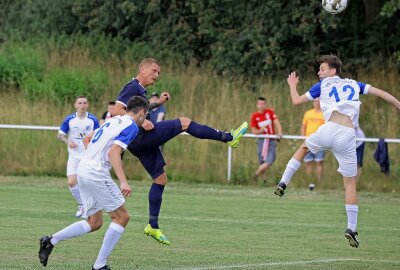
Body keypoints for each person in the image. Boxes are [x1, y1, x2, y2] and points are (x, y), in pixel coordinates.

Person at [111, 58, 248, 245]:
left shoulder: (140, 91)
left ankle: (153, 226)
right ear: (142, 70)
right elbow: (117, 110)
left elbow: (137, 109)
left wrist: (158, 103)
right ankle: (229, 138)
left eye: (158, 72)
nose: (157, 75)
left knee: (160, 179)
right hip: (140, 136)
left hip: (138, 141)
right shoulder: (132, 87)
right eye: (154, 71)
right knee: (184, 122)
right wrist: (141, 121)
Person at [273, 54, 400, 248]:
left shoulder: (322, 86)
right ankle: (351, 228)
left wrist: (292, 84)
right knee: (350, 183)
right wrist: (398, 104)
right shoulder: (354, 84)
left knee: (303, 148)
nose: (319, 72)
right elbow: (380, 93)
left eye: (322, 69)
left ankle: (283, 182)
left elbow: (296, 101)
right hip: (348, 134)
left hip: (329, 129)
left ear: (333, 71)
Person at [38, 96, 149, 270]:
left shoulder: (112, 120)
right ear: (142, 112)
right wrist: (123, 182)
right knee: (122, 217)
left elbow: (87, 139)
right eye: (146, 115)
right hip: (96, 173)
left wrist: (93, 156)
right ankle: (99, 265)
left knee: (95, 222)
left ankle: (51, 240)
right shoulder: (132, 126)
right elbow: (114, 152)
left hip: (83, 169)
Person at [57, 96, 99, 218]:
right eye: (80, 103)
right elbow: (60, 135)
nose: (82, 105)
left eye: (84, 103)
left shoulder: (92, 120)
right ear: (75, 105)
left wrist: (91, 141)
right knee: (71, 182)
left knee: (85, 182)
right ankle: (82, 204)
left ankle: (89, 207)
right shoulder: (70, 119)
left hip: (87, 156)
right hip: (74, 156)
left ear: (87, 105)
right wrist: (67, 142)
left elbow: (98, 134)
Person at [250, 97, 282, 182]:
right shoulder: (254, 116)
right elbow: (254, 131)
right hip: (261, 140)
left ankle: (255, 175)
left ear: (265, 104)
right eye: (260, 104)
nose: (261, 106)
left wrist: (279, 132)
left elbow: (276, 122)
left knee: (270, 160)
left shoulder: (270, 112)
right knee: (262, 160)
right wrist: (261, 130)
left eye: (263, 104)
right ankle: (265, 180)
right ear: (257, 105)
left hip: (271, 139)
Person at [301, 99, 325, 183]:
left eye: (319, 101)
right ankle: (309, 181)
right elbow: (303, 126)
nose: (317, 103)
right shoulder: (308, 113)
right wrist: (303, 138)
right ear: (313, 103)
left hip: (320, 141)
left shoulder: (324, 113)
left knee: (319, 162)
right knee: (308, 162)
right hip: (308, 141)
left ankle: (319, 181)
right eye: (315, 101)